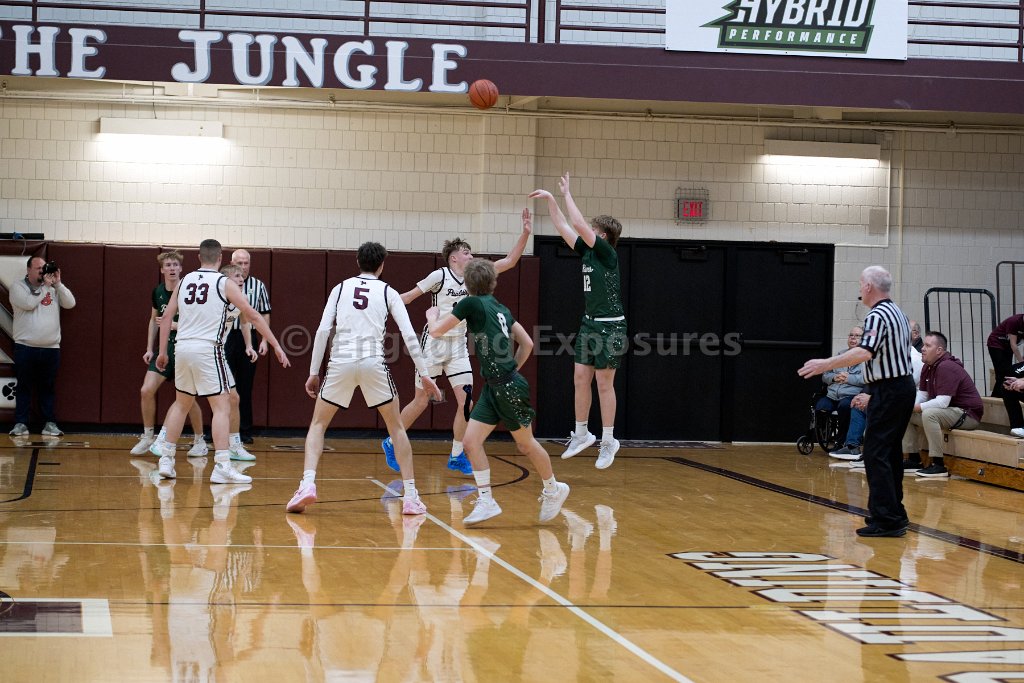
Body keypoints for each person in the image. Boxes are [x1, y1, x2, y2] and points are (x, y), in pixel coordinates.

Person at [286, 242, 442, 515]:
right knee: (397, 429)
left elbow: (322, 331)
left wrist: (313, 372)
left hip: (340, 362)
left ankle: (307, 484)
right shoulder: (388, 291)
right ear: (382, 265)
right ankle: (411, 496)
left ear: (358, 261)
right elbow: (409, 335)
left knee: (318, 424)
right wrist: (425, 374)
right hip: (373, 363)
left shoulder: (340, 288)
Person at [381, 214, 532, 476]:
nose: (471, 256)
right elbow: (409, 297)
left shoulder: (475, 276)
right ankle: (391, 442)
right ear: (453, 258)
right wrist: (381, 300)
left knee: (467, 401)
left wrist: (526, 233)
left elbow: (509, 261)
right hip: (434, 342)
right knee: (421, 401)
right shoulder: (439, 275)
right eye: (466, 252)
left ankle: (457, 454)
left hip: (459, 345)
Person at [426, 258, 570, 525]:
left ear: (468, 283)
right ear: (492, 283)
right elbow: (527, 343)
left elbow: (434, 332)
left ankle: (553, 488)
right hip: (495, 386)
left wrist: (431, 315)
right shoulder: (500, 307)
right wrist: (511, 369)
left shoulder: (470, 303)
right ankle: (486, 500)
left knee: (525, 444)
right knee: (470, 442)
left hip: (507, 386)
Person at [150, 239, 290, 484]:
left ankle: (167, 459)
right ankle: (223, 465)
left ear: (198, 257)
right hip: (207, 349)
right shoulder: (223, 283)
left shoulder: (184, 281)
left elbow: (167, 315)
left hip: (182, 348)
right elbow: (253, 315)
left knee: (181, 404)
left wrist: (162, 352)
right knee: (222, 406)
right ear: (220, 257)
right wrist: (276, 345)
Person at [800, 265, 915, 538]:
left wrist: (825, 363)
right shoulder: (897, 311)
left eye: (861, 283)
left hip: (889, 389)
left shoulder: (877, 315)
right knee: (889, 452)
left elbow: (864, 351)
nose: (859, 288)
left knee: (875, 453)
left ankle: (887, 519)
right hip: (901, 387)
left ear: (868, 287)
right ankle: (893, 514)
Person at [530, 174, 626, 469]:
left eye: (594, 230)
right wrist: (551, 200)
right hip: (589, 323)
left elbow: (578, 223)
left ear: (603, 236)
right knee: (580, 378)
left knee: (604, 384)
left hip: (611, 325)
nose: (588, 232)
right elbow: (563, 225)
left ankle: (608, 441)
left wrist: (567, 194)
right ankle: (582, 433)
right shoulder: (586, 251)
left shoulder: (607, 254)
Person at [131, 250, 207, 457]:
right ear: (162, 269)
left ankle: (200, 440)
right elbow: (153, 320)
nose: (172, 268)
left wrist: (174, 325)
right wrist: (149, 348)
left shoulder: (189, 291)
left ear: (181, 268)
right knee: (146, 390)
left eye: (175, 265)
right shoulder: (158, 291)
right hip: (164, 349)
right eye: (168, 265)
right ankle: (148, 436)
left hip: (185, 349)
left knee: (187, 400)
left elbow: (200, 323)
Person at [9, 256, 76, 437]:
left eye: (44, 267)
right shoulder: (18, 287)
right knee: (24, 387)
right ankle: (21, 424)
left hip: (51, 348)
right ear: (28, 270)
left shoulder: (53, 288)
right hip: (25, 347)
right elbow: (28, 304)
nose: (42, 271)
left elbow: (70, 303)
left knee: (47, 387)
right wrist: (46, 287)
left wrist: (58, 284)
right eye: (38, 268)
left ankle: (49, 423)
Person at [903, 331, 983, 478]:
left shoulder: (946, 366)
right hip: (950, 412)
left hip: (968, 415)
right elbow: (923, 395)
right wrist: (910, 406)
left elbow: (942, 402)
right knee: (904, 413)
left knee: (929, 414)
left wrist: (917, 407)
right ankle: (913, 459)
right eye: (924, 345)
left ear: (939, 350)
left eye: (928, 346)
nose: (923, 348)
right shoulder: (928, 366)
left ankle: (938, 464)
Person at [224, 249, 271, 445]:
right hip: (225, 336)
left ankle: (243, 430)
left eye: (246, 263)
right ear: (231, 263)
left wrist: (264, 340)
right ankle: (218, 429)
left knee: (245, 385)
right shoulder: (222, 284)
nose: (243, 267)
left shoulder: (258, 285)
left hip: (248, 336)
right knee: (221, 386)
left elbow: (264, 313)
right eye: (239, 263)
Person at [819, 326, 866, 458]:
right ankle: (824, 436)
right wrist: (834, 377)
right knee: (820, 406)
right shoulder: (839, 355)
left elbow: (866, 379)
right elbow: (825, 376)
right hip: (832, 394)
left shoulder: (866, 359)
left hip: (850, 395)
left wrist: (848, 378)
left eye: (857, 336)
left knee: (845, 406)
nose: (853, 338)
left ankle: (840, 442)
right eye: (851, 335)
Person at [986, 313, 1024, 430]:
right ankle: (996, 397)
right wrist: (1022, 362)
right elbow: (1014, 345)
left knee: (1008, 372)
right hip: (996, 344)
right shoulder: (1014, 321)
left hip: (1006, 346)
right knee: (1003, 373)